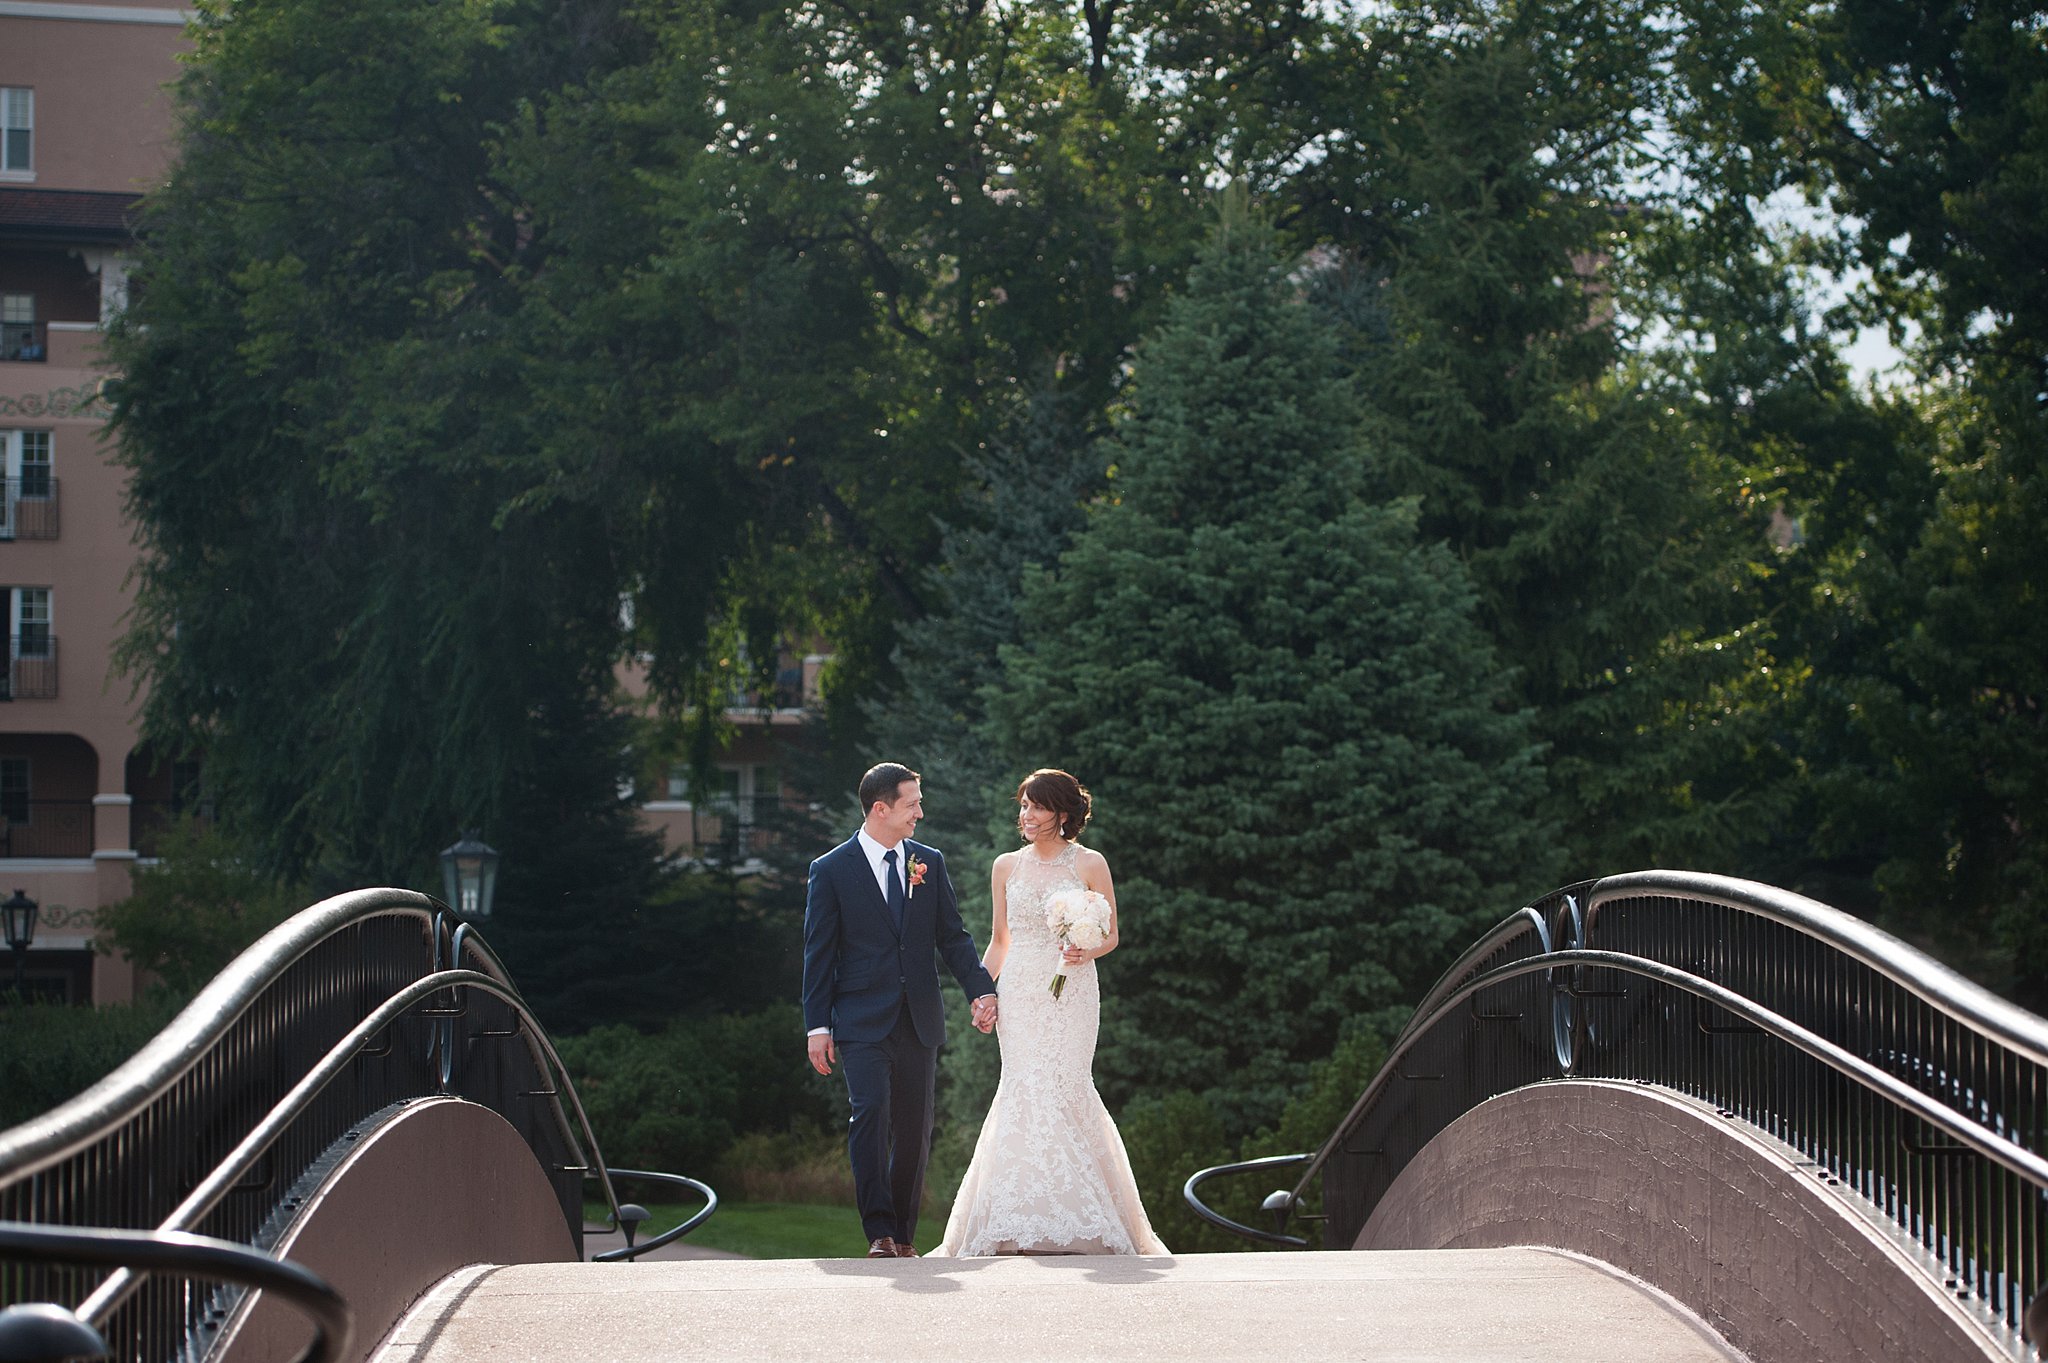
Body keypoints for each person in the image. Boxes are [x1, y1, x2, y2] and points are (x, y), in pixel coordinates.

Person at [933, 768, 1169, 1256]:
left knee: (1064, 1084)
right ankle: (1016, 1219)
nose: (1026, 815)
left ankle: (1084, 1219)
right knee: (1023, 1086)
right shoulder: (1005, 866)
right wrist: (982, 993)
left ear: (1062, 813)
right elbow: (1000, 941)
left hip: (1073, 989)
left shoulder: (1089, 863)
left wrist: (1088, 949)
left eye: (1036, 806)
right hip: (1019, 989)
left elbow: (1112, 934)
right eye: (1023, 806)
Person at [803, 762, 999, 1259]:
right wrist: (817, 1026)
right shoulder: (831, 870)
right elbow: (818, 954)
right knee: (870, 1114)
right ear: (880, 808)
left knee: (915, 1126)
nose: (920, 812)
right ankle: (879, 1232)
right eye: (912, 803)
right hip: (860, 1020)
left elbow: (952, 937)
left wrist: (981, 990)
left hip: (919, 1018)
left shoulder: (927, 862)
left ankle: (905, 1235)